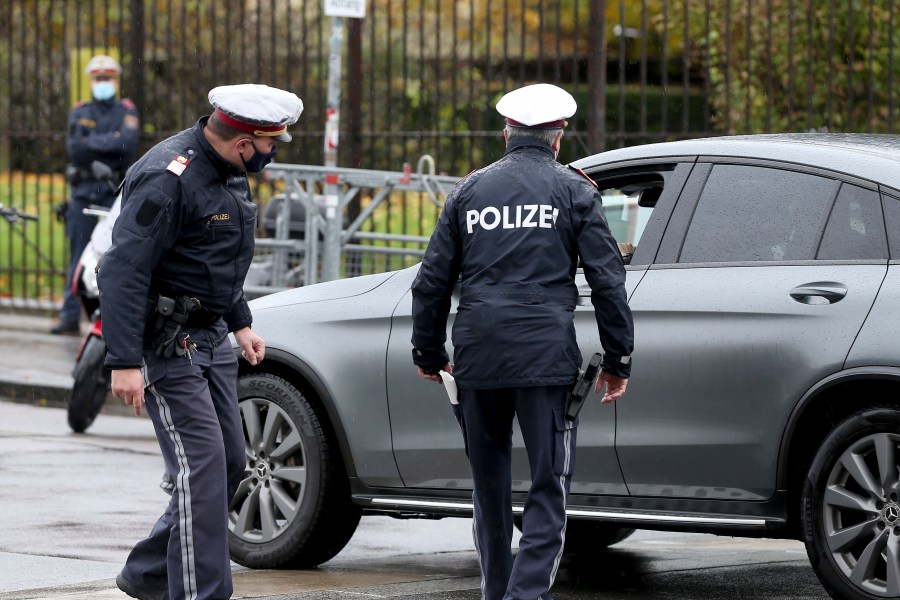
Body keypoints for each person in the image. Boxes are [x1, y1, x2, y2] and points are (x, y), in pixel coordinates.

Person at [411, 83, 634, 600]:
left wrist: (428, 352)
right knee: (546, 485)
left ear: (506, 132)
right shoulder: (575, 191)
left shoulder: (468, 192)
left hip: (477, 356)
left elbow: (431, 281)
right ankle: (525, 595)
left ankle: (496, 593)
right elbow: (607, 280)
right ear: (559, 138)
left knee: (487, 489)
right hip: (544, 358)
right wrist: (618, 358)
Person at [97, 83, 303, 600]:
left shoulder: (231, 173)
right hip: (167, 345)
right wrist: (123, 362)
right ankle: (202, 592)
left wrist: (241, 323)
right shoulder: (169, 179)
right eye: (270, 145)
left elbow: (214, 260)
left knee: (231, 461)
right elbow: (121, 271)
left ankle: (147, 574)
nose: (273, 154)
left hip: (211, 338)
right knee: (204, 468)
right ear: (242, 142)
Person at [51, 54, 140, 335]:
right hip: (84, 193)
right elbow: (75, 149)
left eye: (107, 78)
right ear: (92, 80)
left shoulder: (126, 110)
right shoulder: (80, 111)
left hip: (114, 194)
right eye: (98, 78)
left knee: (114, 257)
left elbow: (128, 144)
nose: (103, 83)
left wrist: (94, 142)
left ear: (116, 80)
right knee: (77, 254)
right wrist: (110, 141)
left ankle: (109, 318)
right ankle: (69, 316)